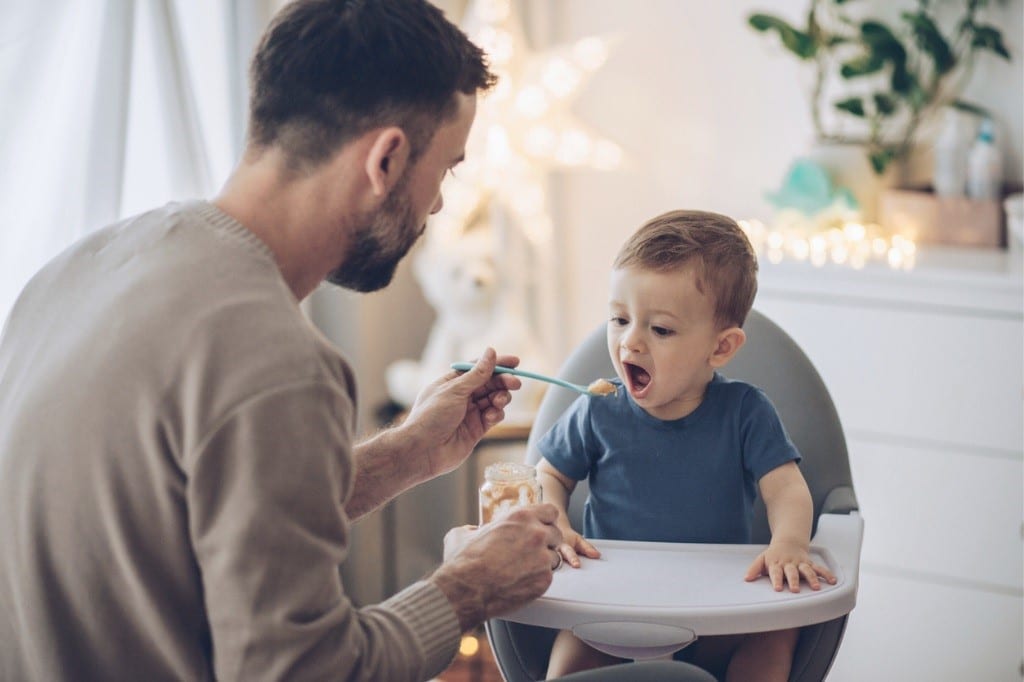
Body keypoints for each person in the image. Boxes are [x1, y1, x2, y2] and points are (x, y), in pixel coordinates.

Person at [0, 2, 569, 680]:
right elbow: (301, 671)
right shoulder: (279, 364)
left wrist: (409, 453)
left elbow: (197, 518)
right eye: (444, 171)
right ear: (386, 159)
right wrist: (468, 587)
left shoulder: (77, 269)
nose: (439, 206)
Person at [535, 210, 838, 681]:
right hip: (611, 614)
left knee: (776, 636)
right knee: (570, 659)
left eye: (660, 329)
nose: (629, 343)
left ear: (720, 348)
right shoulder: (598, 409)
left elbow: (786, 489)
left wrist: (790, 543)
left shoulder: (745, 412)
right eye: (619, 319)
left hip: (720, 614)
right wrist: (554, 515)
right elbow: (550, 473)